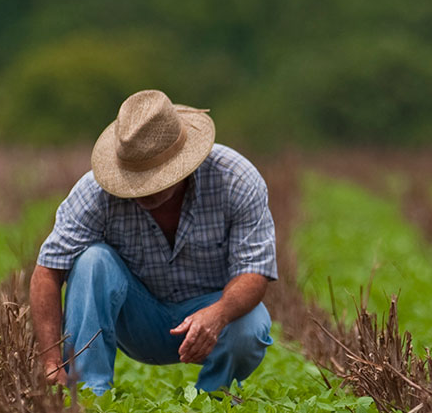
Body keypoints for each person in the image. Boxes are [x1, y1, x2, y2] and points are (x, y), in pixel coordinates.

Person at [28, 89, 277, 395]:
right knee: (92, 260)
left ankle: (212, 397)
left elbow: (254, 270)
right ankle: (89, 395)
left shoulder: (236, 179)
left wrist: (219, 313)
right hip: (137, 320)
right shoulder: (95, 192)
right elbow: (47, 271)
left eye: (155, 176)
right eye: (136, 177)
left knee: (250, 324)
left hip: (210, 313)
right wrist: (51, 361)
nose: (144, 190)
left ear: (183, 162)